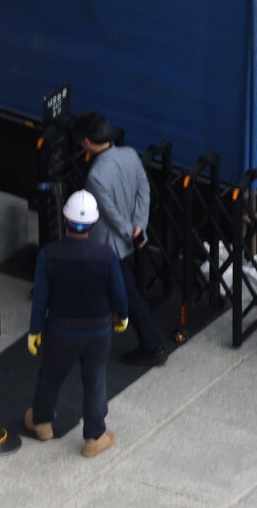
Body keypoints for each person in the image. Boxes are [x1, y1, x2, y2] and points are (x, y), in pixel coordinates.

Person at [24, 190, 129, 458]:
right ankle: (94, 437)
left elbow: (41, 298)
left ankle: (42, 423)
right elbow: (119, 292)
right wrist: (123, 316)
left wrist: (35, 330)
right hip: (98, 331)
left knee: (50, 374)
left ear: (65, 220)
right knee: (95, 380)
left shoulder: (49, 254)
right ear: (94, 223)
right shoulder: (106, 255)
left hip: (60, 330)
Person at [77, 112, 167, 366]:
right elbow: (143, 190)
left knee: (127, 294)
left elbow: (109, 213)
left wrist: (128, 230)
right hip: (128, 238)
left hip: (108, 244)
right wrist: (139, 227)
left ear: (87, 141)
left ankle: (153, 345)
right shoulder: (129, 155)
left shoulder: (96, 176)